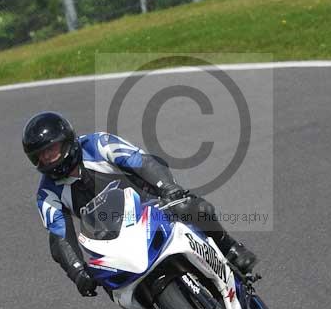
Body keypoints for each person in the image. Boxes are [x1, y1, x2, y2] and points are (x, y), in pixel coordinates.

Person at [22, 111, 257, 296]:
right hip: (110, 240)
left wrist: (168, 188)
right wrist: (77, 271)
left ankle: (230, 248)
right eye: (40, 155)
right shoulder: (47, 193)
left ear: (66, 141)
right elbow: (59, 235)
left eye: (50, 149)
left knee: (193, 207)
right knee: (106, 280)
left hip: (152, 207)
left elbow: (141, 161)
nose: (47, 158)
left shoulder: (96, 144)